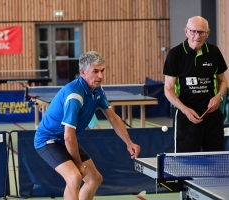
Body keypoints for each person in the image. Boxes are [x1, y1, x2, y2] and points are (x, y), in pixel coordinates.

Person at [34, 51, 140, 200]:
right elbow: (69, 137)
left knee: (94, 179)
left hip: (66, 140)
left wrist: (129, 142)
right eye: (95, 71)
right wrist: (78, 164)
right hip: (48, 141)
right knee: (74, 177)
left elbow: (113, 118)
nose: (101, 76)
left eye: (102, 70)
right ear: (83, 72)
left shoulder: (98, 91)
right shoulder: (74, 96)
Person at [163, 16, 228, 153]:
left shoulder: (214, 52)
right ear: (186, 32)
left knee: (217, 159)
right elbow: (168, 89)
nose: (197, 36)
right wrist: (185, 110)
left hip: (212, 116)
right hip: (186, 117)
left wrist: (219, 97)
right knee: (185, 162)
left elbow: (223, 81)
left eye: (201, 32)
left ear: (207, 33)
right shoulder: (175, 54)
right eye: (193, 32)